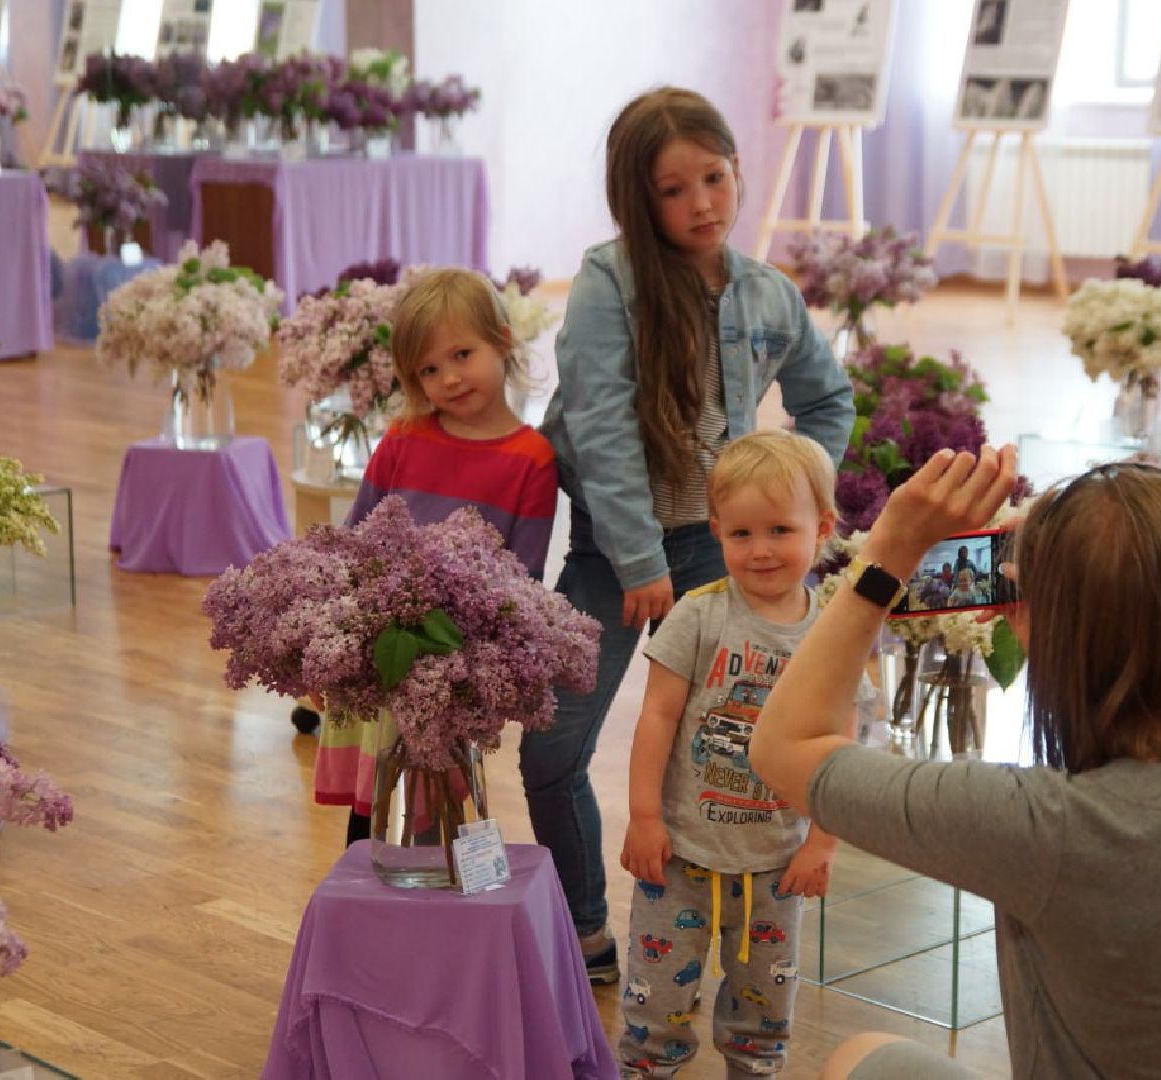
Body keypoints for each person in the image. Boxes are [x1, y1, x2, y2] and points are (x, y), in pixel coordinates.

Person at [750, 449, 1161, 1079]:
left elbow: (782, 748)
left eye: (1018, 591)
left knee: (856, 1061)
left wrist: (889, 554)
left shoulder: (1055, 829)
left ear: (1055, 627)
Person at [533, 86, 855, 983]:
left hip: (720, 555)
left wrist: (786, 488)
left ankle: (708, 920)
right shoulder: (611, 281)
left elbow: (828, 399)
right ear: (639, 200)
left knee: (722, 744)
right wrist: (637, 559)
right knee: (553, 745)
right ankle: (584, 932)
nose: (700, 205)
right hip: (615, 552)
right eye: (673, 191)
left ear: (736, 171)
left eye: (712, 179)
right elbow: (596, 422)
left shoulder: (765, 292)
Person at [616, 429, 850, 1078]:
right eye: (740, 534)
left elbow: (839, 747)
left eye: (779, 529)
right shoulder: (698, 615)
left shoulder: (832, 632)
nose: (760, 550)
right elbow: (656, 717)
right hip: (680, 859)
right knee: (654, 1011)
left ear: (822, 526)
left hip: (776, 866)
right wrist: (643, 818)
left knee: (762, 1020)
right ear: (716, 529)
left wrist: (822, 843)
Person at [312, 268, 558, 846]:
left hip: (456, 668)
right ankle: (369, 924)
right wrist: (328, 649)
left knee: (439, 816)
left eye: (462, 354)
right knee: (373, 814)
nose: (448, 378)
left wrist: (477, 685)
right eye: (428, 369)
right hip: (380, 655)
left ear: (502, 339)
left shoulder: (531, 460)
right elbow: (355, 540)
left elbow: (522, 586)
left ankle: (433, 925)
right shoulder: (402, 438)